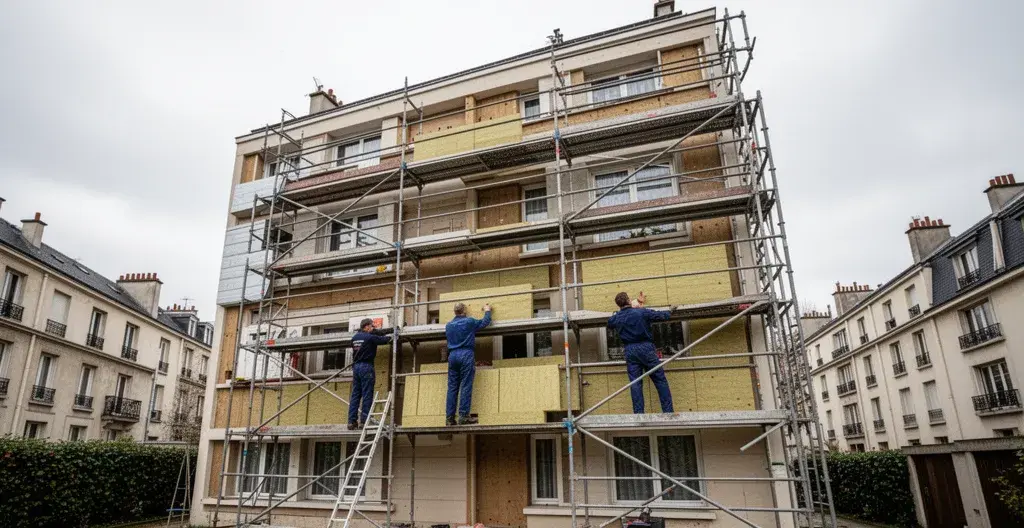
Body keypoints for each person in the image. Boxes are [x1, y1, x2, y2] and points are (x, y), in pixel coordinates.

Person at [606, 291, 674, 414]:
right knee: (659, 379)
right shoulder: (641, 312)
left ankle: (638, 414)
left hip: (630, 350)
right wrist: (670, 312)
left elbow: (610, 322)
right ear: (628, 301)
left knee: (635, 383)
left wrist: (628, 307)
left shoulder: (617, 318)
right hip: (646, 348)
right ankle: (668, 411)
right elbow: (660, 316)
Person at [445, 302, 492, 425]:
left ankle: (449, 418)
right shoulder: (469, 322)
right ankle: (463, 416)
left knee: (452, 387)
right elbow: (484, 322)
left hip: (452, 356)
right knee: (466, 384)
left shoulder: (448, 326)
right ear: (464, 311)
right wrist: (487, 310)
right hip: (465, 354)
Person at [348, 318, 392, 430]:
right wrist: (393, 335)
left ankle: (351, 421)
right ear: (366, 326)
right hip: (366, 367)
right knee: (367, 394)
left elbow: (374, 335)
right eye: (372, 326)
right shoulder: (370, 337)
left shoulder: (354, 338)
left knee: (356, 395)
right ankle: (364, 421)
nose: (373, 329)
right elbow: (385, 339)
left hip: (356, 367)